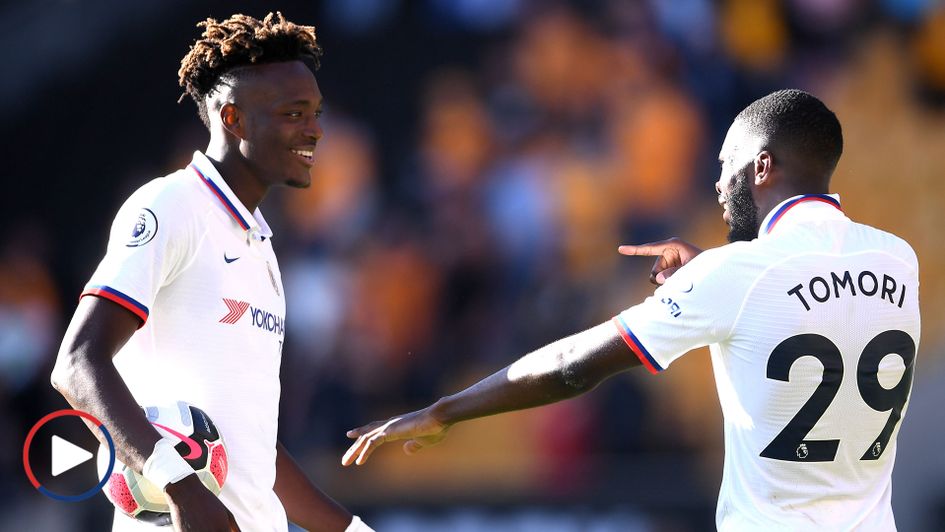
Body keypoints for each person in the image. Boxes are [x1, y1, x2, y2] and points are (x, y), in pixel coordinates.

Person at [342, 89, 920, 531]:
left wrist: (445, 411)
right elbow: (809, 301)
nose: (718, 183)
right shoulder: (898, 259)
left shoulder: (736, 275)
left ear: (762, 167)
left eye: (727, 164)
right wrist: (709, 274)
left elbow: (574, 366)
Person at [51, 12, 372, 532]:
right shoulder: (172, 204)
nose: (315, 130)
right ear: (233, 119)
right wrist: (180, 487)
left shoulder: (261, 244)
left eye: (316, 112)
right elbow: (77, 363)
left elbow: (252, 453)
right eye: (294, 114)